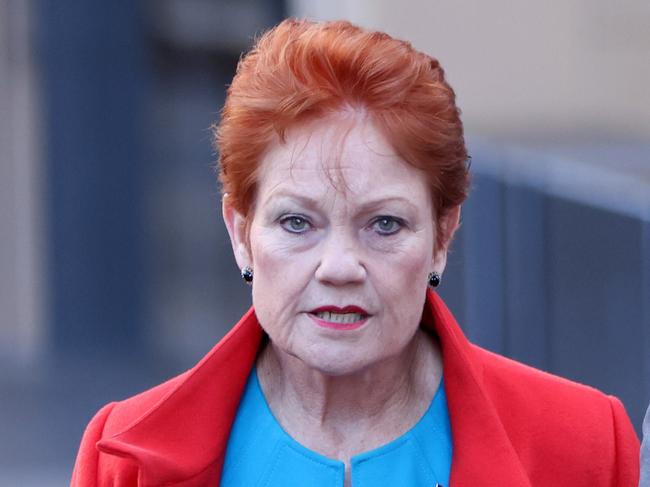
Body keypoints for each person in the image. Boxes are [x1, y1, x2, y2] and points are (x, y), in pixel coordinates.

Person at [71, 19, 640, 486]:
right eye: (297, 222)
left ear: (442, 236)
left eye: (384, 224)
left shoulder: (585, 445)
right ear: (240, 232)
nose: (340, 267)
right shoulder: (121, 456)